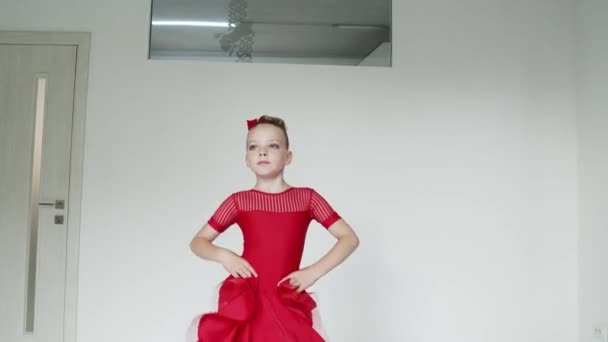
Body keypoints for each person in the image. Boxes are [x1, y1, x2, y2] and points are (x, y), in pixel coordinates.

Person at [189, 115, 359, 341]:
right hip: (247, 298)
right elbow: (198, 242)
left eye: (273, 145)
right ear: (246, 159)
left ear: (288, 157)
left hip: (285, 295)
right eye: (254, 147)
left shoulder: (307, 198)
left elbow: (349, 238)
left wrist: (313, 272)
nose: (262, 152)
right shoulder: (239, 201)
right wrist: (225, 256)